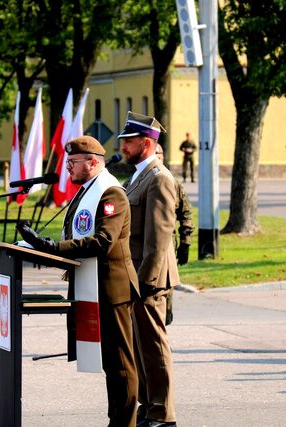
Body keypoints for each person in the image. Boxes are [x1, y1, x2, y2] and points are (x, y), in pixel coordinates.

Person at [17, 135, 140, 427]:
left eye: (73, 162)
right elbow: (75, 236)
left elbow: (103, 241)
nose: (68, 168)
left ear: (93, 163)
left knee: (120, 363)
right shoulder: (86, 191)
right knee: (110, 362)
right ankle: (117, 420)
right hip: (93, 284)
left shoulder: (111, 194)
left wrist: (50, 247)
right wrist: (37, 247)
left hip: (112, 288)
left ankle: (125, 423)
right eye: (67, 161)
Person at [119, 111, 178, 427]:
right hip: (136, 276)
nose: (123, 147)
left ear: (146, 142)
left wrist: (142, 282)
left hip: (149, 279)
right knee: (140, 348)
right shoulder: (138, 176)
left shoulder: (159, 178)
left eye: (128, 141)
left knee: (154, 347)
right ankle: (148, 406)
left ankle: (162, 413)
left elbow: (158, 240)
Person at [155, 143, 194, 326]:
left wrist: (186, 242)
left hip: (167, 247)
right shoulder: (134, 181)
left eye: (158, 155)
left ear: (162, 157)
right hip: (139, 248)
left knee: (165, 294)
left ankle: (162, 334)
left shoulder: (172, 183)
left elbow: (185, 213)